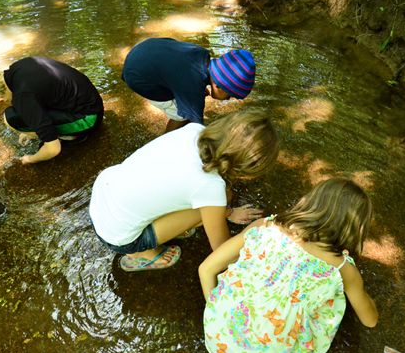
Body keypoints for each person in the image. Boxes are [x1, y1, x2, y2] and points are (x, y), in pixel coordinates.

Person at [199, 178, 378, 353]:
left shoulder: (264, 226)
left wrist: (218, 313)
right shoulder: (341, 269)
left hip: (217, 338)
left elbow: (206, 269)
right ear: (355, 229)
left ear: (311, 202)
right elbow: (370, 321)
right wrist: (362, 291)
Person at [89, 109, 279, 272]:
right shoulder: (210, 187)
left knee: (220, 200)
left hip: (102, 197)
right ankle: (142, 254)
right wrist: (255, 237)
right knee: (212, 207)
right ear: (245, 172)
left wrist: (226, 210)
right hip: (116, 236)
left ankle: (165, 227)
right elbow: (221, 249)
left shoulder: (195, 130)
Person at [0, 57, 104, 164]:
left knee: (11, 117)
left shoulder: (23, 98)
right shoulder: (17, 68)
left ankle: (70, 136)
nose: (0, 114)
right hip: (89, 100)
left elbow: (53, 149)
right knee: (17, 113)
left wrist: (30, 159)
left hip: (89, 118)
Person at [122, 37, 256, 133]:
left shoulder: (201, 54)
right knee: (183, 116)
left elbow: (184, 72)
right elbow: (196, 128)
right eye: (229, 95)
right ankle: (166, 141)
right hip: (137, 77)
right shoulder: (194, 92)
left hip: (141, 51)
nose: (228, 99)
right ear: (218, 86)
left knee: (185, 92)